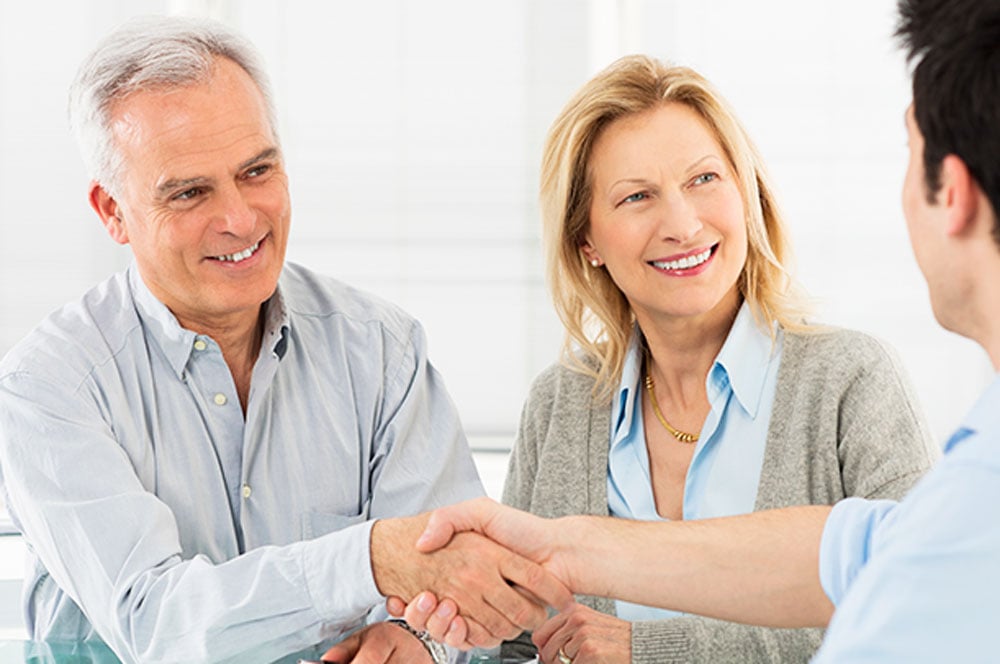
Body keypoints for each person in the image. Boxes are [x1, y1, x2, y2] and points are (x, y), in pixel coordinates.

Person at [397, 0, 1000, 661]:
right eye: (636, 196)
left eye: (704, 179)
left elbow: (904, 606)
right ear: (586, 239)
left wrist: (651, 650)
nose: (682, 224)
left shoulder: (849, 381)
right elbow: (514, 643)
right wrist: (427, 640)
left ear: (748, 194)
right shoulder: (560, 402)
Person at [0, 16, 570, 664]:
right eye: (189, 193)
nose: (240, 219)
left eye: (256, 171)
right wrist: (371, 561)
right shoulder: (48, 389)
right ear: (112, 212)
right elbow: (156, 625)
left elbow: (464, 595)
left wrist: (417, 640)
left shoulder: (382, 352)